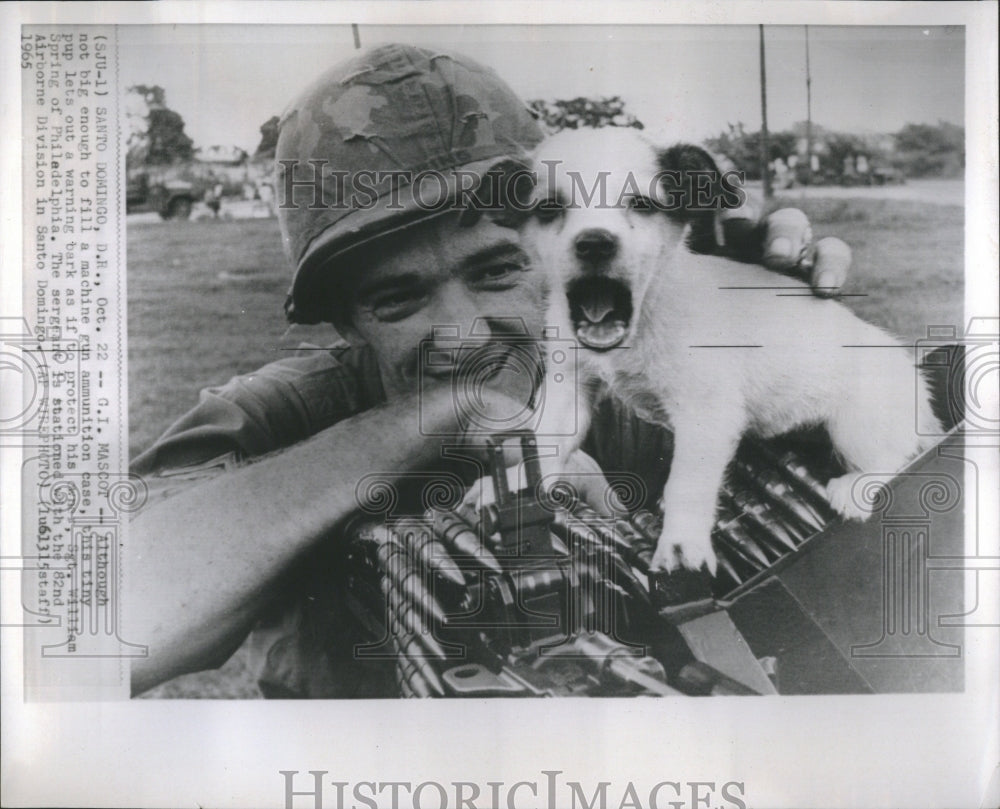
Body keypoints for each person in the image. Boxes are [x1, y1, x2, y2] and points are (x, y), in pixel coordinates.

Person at [126, 43, 852, 697]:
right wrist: (433, 419)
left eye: (498, 269)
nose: (466, 332)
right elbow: (88, 625)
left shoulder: (646, 381)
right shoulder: (275, 416)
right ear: (345, 321)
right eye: (398, 296)